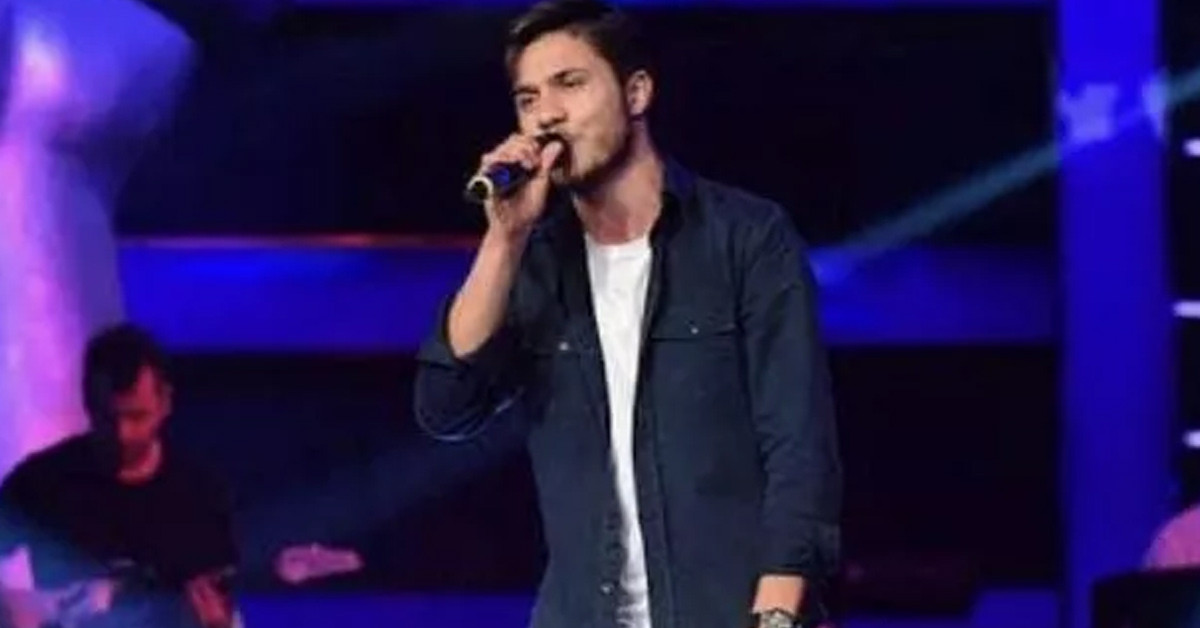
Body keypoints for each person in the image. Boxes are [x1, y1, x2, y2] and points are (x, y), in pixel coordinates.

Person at [412, 1, 842, 627]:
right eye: (528, 98)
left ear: (636, 92)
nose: (546, 114)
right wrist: (504, 239)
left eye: (570, 83)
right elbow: (447, 407)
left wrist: (776, 615)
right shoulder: (538, 265)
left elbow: (799, 446)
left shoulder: (744, 238)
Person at [0, 323, 237, 628]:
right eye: (107, 418)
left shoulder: (202, 494)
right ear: (87, 402)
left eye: (137, 417)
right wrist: (19, 607)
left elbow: (224, 600)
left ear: (165, 402)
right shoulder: (43, 480)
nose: (122, 434)